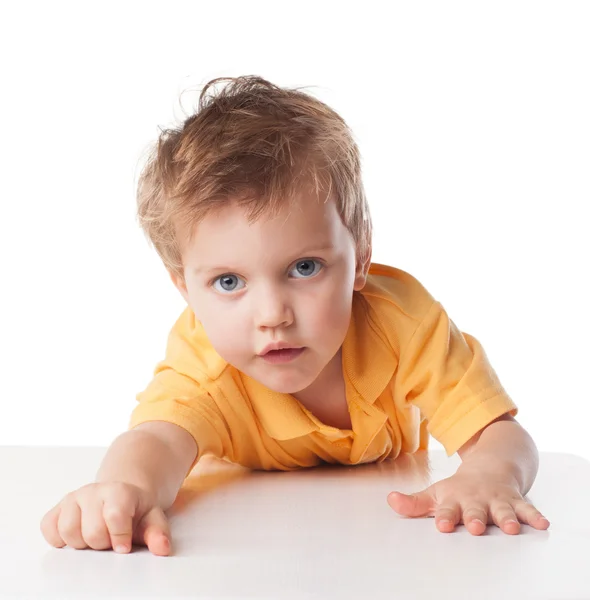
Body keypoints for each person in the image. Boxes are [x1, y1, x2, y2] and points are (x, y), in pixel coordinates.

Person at [40, 75, 550, 557]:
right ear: (186, 289)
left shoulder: (402, 325)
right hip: (251, 537)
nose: (272, 316)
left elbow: (502, 435)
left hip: (381, 541)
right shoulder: (206, 365)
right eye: (228, 282)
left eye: (304, 268)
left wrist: (491, 473)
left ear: (361, 256)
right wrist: (123, 489)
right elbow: (156, 439)